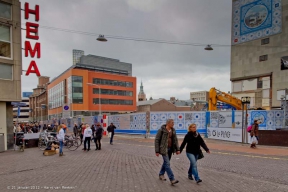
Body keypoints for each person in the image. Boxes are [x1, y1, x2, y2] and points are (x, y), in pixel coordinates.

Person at [154, 119, 180, 185]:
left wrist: (177, 149)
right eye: (172, 122)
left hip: (170, 149)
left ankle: (161, 174)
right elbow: (157, 140)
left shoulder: (173, 130)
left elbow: (175, 140)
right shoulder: (161, 130)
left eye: (173, 122)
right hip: (163, 149)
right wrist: (157, 151)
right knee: (167, 163)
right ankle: (172, 179)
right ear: (168, 123)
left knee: (166, 163)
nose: (173, 124)